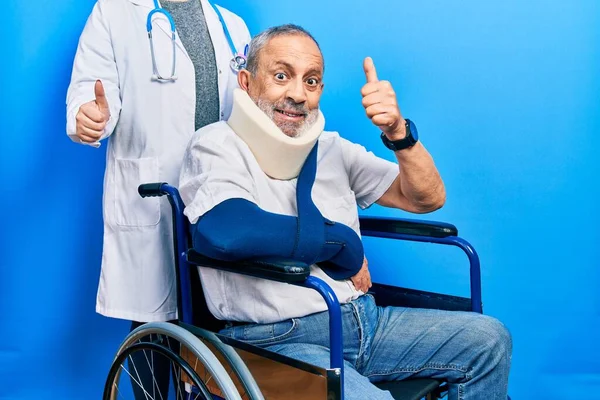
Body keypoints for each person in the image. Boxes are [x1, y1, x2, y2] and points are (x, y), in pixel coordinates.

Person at [179, 24, 512, 399]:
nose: (296, 94)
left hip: (365, 321)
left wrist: (398, 132)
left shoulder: (333, 148)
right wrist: (341, 242)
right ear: (247, 81)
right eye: (281, 76)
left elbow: (427, 198)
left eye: (312, 81)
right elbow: (228, 232)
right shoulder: (216, 145)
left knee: (488, 339)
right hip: (276, 340)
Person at [65, 0, 250, 396]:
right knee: (156, 326)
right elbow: (91, 88)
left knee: (218, 328)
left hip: (220, 196)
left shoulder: (232, 25)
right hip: (157, 196)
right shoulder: (113, 12)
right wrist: (88, 115)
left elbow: (253, 110)